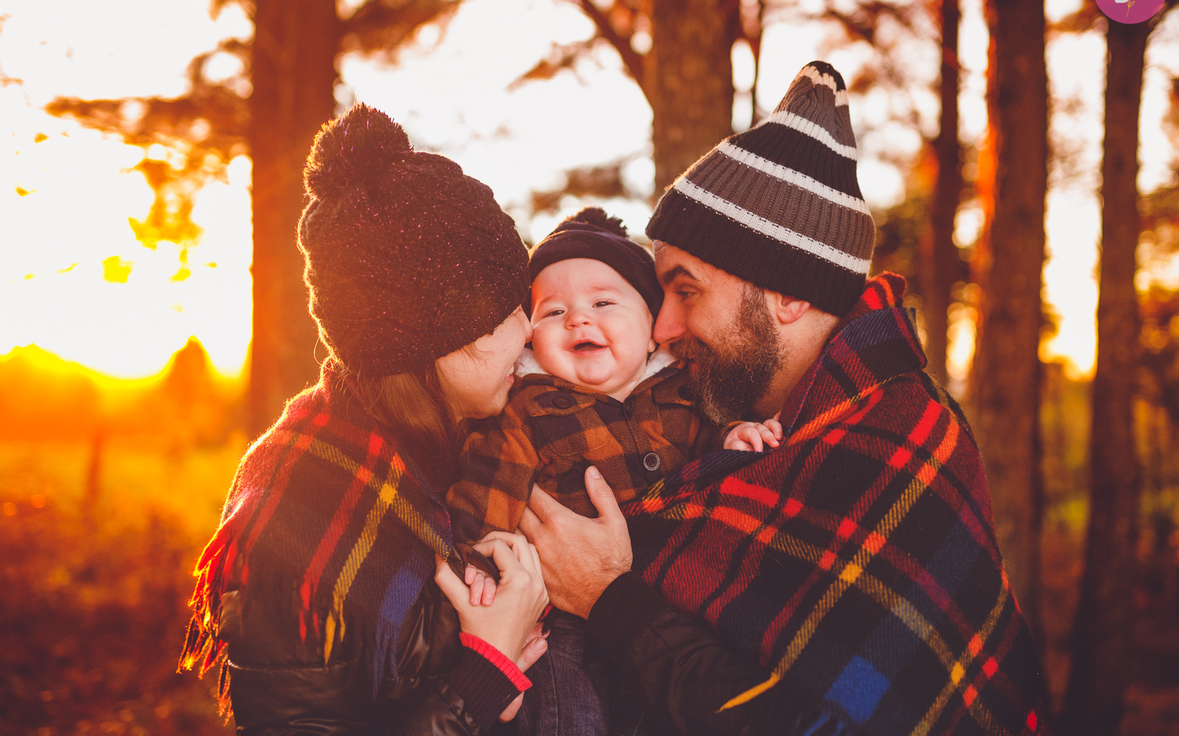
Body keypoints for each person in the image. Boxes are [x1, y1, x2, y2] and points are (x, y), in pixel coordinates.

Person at [521, 61, 1050, 735]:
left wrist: (609, 599)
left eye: (686, 291)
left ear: (789, 293)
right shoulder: (747, 435)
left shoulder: (897, 441)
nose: (662, 330)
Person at [178, 103, 550, 735]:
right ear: (422, 347)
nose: (528, 329)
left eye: (522, 301)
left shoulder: (475, 447)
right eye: (500, 314)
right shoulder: (297, 526)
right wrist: (480, 682)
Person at [448, 207, 774, 736]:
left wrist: (733, 437)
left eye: (603, 302)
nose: (578, 319)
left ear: (652, 330)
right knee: (567, 711)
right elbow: (488, 493)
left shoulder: (686, 392)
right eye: (553, 312)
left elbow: (708, 446)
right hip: (563, 627)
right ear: (531, 341)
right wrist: (483, 573)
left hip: (669, 602)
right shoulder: (527, 408)